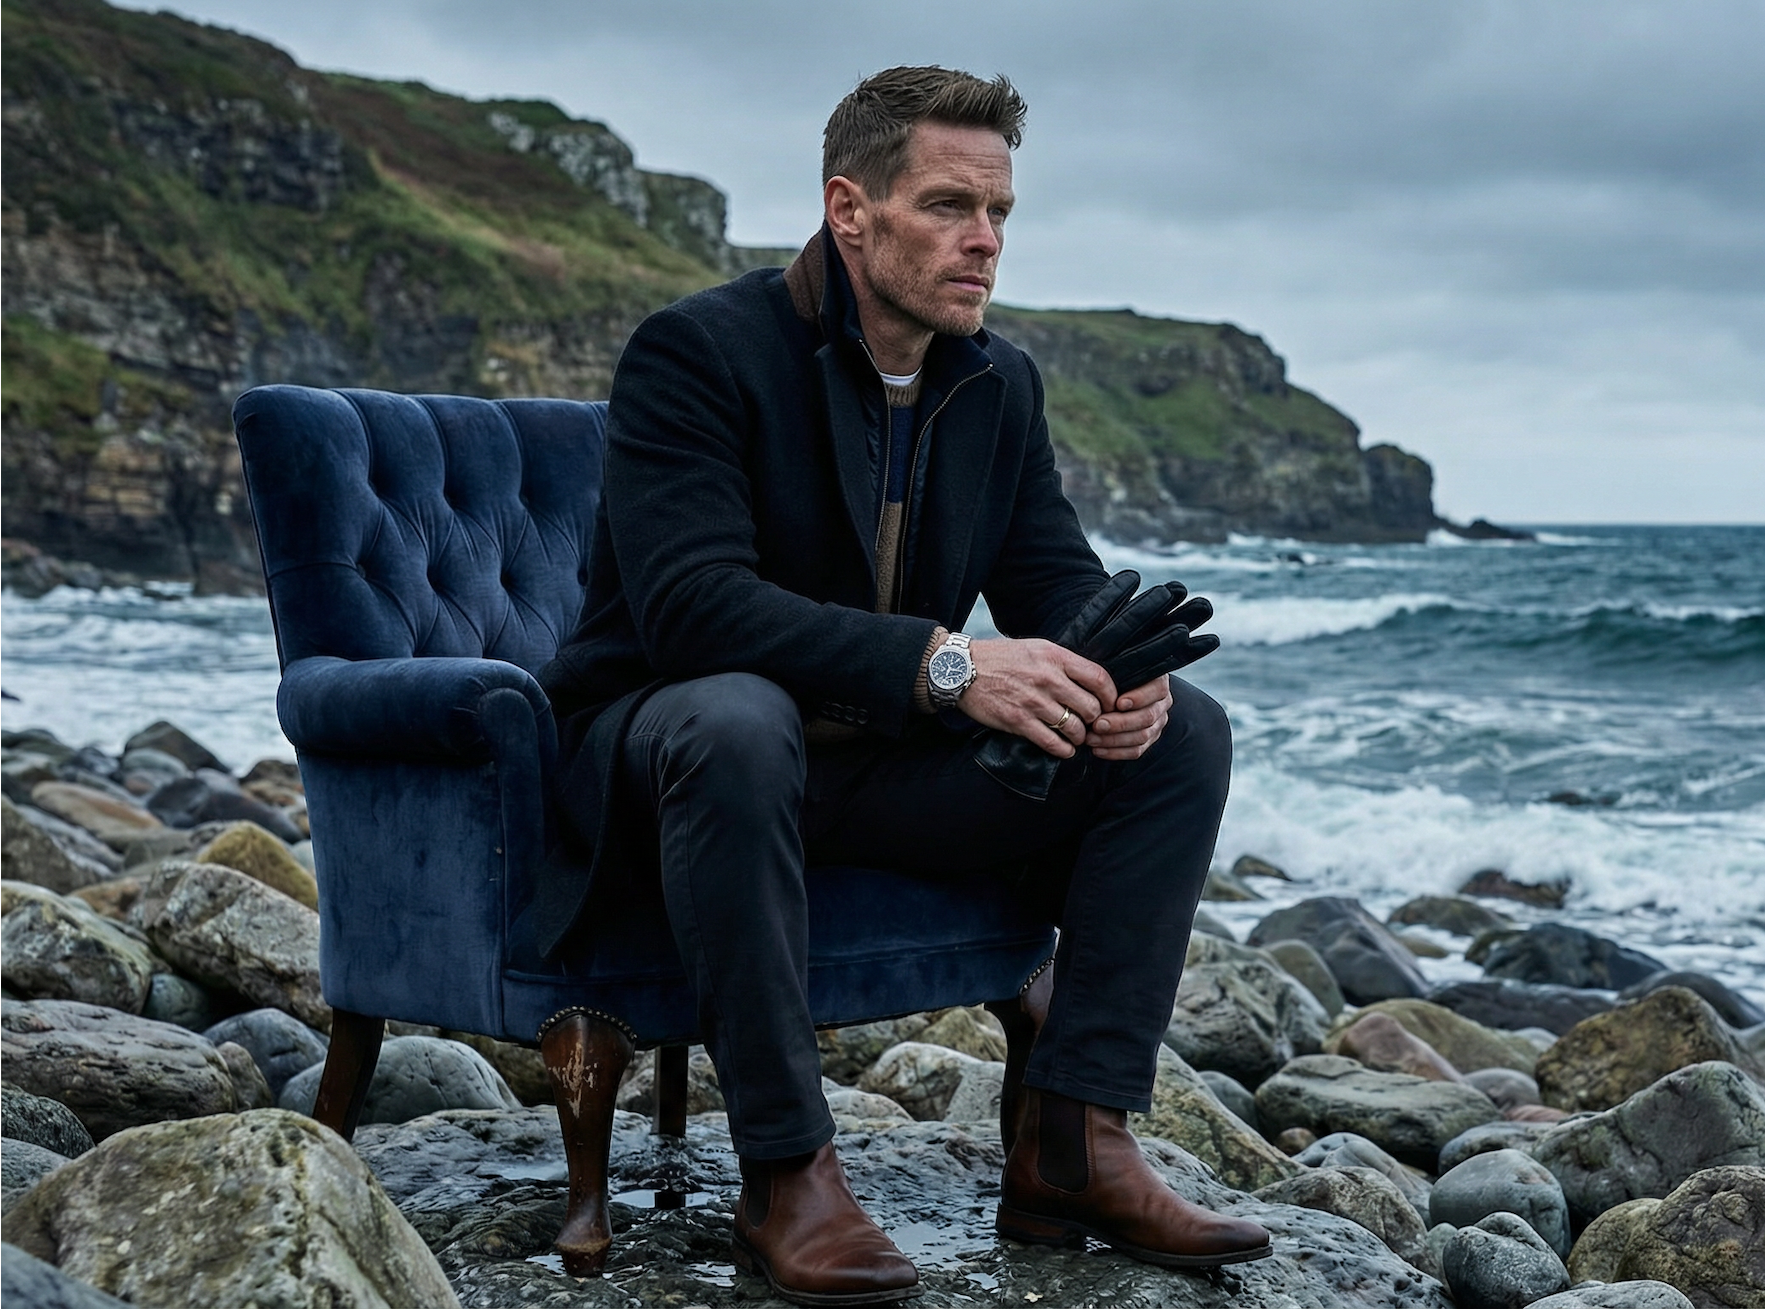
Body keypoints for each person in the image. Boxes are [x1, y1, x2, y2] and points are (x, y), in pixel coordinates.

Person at [537, 65, 1273, 1306]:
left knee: (1180, 733)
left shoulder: (996, 379)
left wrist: (1114, 675)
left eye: (998, 213)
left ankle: (1072, 1141)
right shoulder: (697, 352)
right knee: (737, 712)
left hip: (865, 767)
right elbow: (688, 609)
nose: (982, 241)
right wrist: (947, 662)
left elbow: (1051, 583)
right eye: (946, 205)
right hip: (670, 759)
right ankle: (786, 1173)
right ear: (850, 210)